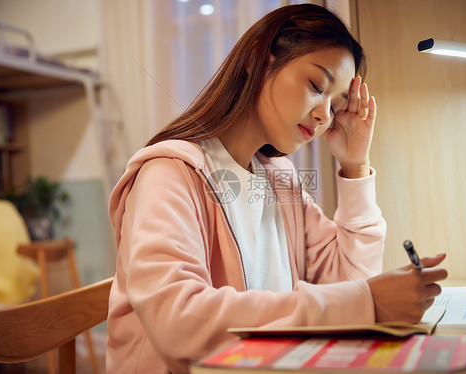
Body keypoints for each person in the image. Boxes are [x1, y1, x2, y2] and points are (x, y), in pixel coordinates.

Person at [106, 4, 448, 373]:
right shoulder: (169, 175)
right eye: (317, 86)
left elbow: (352, 280)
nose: (324, 116)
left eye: (336, 106)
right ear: (258, 58)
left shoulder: (280, 178)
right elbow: (178, 322)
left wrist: (354, 166)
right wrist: (366, 303)